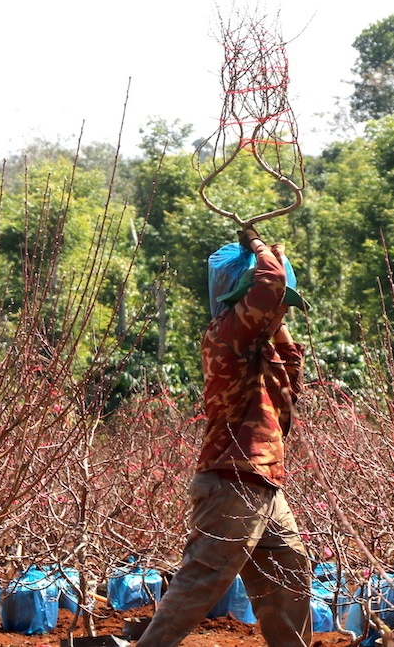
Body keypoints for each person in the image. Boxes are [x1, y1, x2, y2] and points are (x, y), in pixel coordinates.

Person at [135, 226, 312, 647]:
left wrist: (279, 306)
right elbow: (269, 286)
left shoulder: (261, 346)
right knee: (202, 581)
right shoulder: (225, 335)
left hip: (261, 480)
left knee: (288, 572)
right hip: (232, 479)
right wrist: (259, 246)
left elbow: (291, 367)